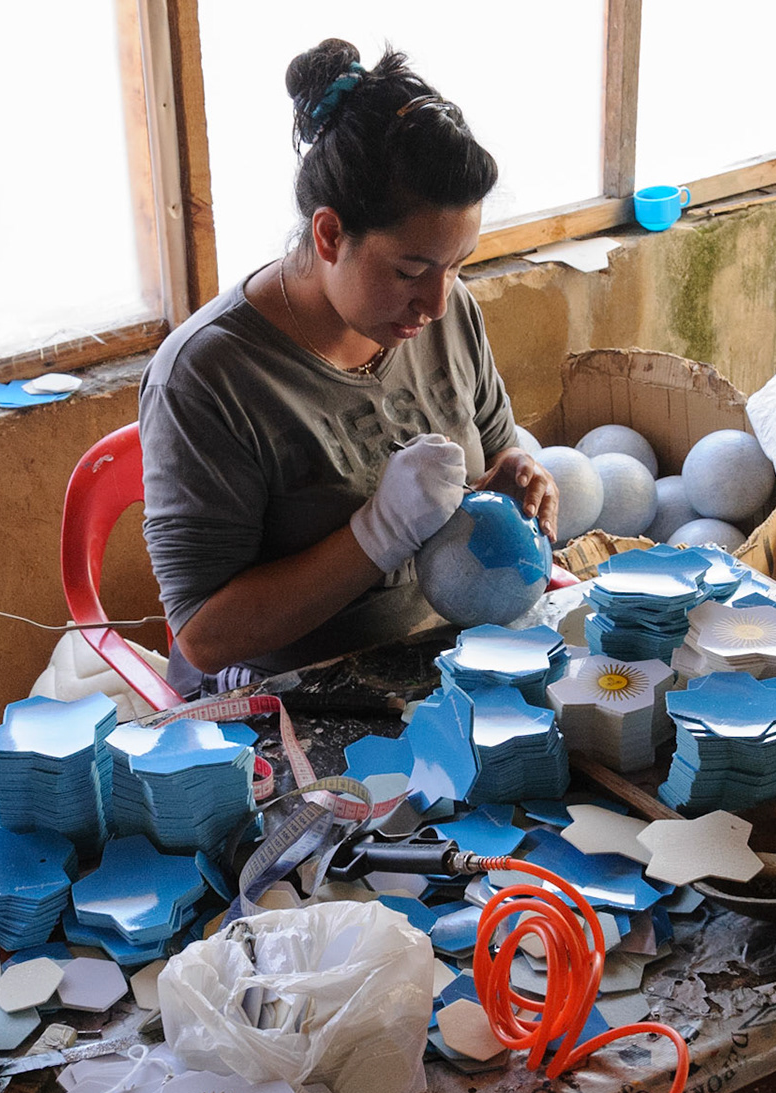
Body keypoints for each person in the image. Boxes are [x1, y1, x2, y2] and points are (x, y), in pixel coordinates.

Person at [140, 38, 558, 697]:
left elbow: (492, 457)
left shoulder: (448, 314)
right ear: (330, 234)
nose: (438, 301)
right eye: (411, 271)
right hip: (289, 696)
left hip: (441, 661)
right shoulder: (208, 377)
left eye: (458, 264)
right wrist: (377, 532)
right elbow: (204, 635)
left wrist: (507, 482)